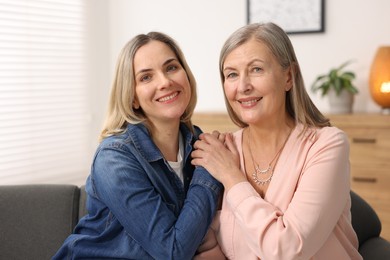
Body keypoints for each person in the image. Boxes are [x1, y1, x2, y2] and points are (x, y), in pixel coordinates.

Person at [191, 22, 362, 259]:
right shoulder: (221, 149)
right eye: (231, 74)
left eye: (257, 69)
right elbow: (207, 243)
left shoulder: (327, 145)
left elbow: (287, 249)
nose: (243, 86)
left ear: (289, 77)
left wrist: (232, 176)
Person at [53, 31, 223, 259]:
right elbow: (173, 252)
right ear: (132, 97)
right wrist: (209, 171)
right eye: (146, 77)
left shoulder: (196, 141)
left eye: (171, 67)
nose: (165, 82)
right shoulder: (114, 158)